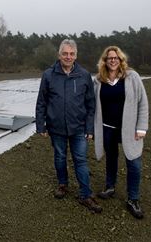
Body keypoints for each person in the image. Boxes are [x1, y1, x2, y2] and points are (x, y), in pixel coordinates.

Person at [36, 39, 102, 213]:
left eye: (71, 54)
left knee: (80, 160)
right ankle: (63, 184)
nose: (68, 57)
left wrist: (89, 128)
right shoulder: (49, 75)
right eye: (65, 53)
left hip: (78, 128)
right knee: (60, 157)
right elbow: (41, 102)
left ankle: (85, 194)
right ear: (59, 55)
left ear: (76, 55)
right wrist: (40, 125)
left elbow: (90, 104)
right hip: (56, 127)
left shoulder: (84, 75)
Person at [93, 46, 149, 219]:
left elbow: (143, 102)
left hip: (129, 129)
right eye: (109, 58)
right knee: (111, 158)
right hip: (108, 128)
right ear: (104, 60)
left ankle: (133, 199)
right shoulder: (98, 80)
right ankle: (110, 187)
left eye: (116, 57)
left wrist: (141, 127)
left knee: (134, 162)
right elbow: (93, 106)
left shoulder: (132, 77)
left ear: (121, 59)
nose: (113, 60)